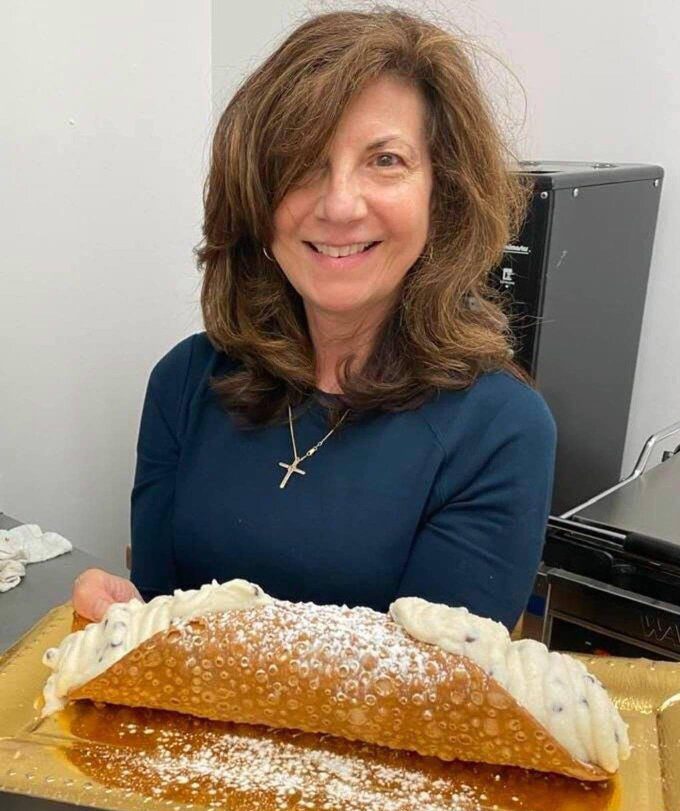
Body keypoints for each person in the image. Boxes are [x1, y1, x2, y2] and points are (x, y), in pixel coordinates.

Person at [73, 8, 556, 631]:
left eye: (385, 160)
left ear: (444, 193)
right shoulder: (185, 380)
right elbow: (160, 629)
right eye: (304, 162)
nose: (338, 205)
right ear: (257, 197)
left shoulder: (501, 431)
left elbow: (431, 700)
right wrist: (117, 618)